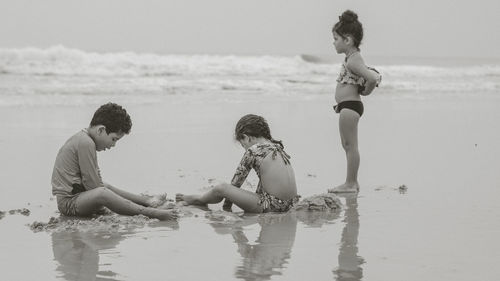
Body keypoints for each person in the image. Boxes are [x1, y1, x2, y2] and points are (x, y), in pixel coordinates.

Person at [51, 102, 177, 220]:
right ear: (100, 130)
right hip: (69, 203)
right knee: (102, 192)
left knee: (105, 187)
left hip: (78, 197)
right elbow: (93, 185)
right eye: (113, 139)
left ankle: (147, 201)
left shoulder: (85, 139)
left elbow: (95, 180)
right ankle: (150, 212)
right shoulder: (85, 143)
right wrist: (111, 206)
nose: (113, 145)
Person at [176, 114, 300, 213]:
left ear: (247, 137)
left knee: (221, 188)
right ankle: (200, 199)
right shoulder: (277, 147)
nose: (244, 148)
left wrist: (227, 208)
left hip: (273, 206)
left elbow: (236, 183)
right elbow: (267, 183)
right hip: (291, 204)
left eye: (242, 144)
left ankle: (199, 199)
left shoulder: (255, 150)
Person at [328, 10, 382, 193]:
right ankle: (352, 182)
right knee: (347, 145)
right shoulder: (352, 58)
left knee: (351, 146)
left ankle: (350, 183)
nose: (333, 42)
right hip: (348, 107)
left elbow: (373, 78)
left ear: (348, 40)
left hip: (350, 107)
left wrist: (366, 91)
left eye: (336, 39)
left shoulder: (353, 61)